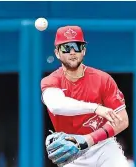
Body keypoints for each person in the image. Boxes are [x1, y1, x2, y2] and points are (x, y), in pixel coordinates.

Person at [41, 25, 130, 167]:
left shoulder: (102, 79)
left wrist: (88, 139)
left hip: (103, 147)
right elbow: (57, 105)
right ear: (57, 53)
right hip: (71, 151)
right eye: (65, 47)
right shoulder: (51, 81)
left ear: (84, 50)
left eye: (77, 46)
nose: (72, 52)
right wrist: (96, 108)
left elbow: (122, 120)